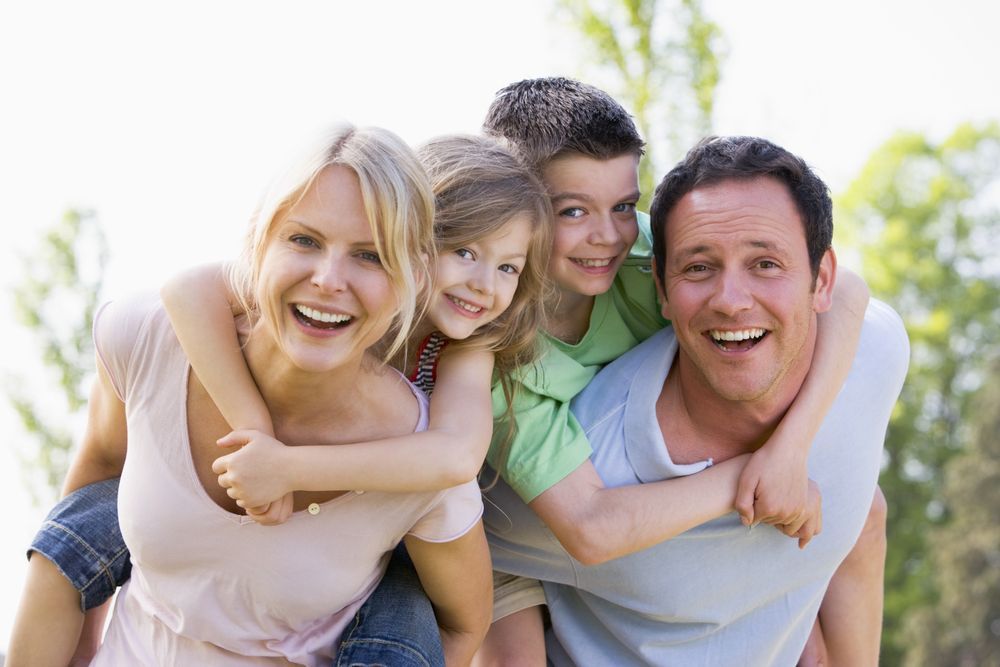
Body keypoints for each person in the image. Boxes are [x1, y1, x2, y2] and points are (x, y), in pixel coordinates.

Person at [6, 125, 493, 666]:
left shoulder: (418, 464)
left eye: (370, 255)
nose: (329, 279)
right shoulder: (148, 339)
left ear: (415, 276)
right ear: (258, 244)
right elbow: (90, 498)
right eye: (304, 240)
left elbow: (461, 625)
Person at [472, 77, 882, 666]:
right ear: (514, 206)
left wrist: (789, 453)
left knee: (861, 510)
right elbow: (588, 528)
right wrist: (751, 477)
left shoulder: (643, 258)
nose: (607, 235)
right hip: (518, 526)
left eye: (621, 205)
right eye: (572, 211)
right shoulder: (498, 349)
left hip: (639, 470)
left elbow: (844, 288)